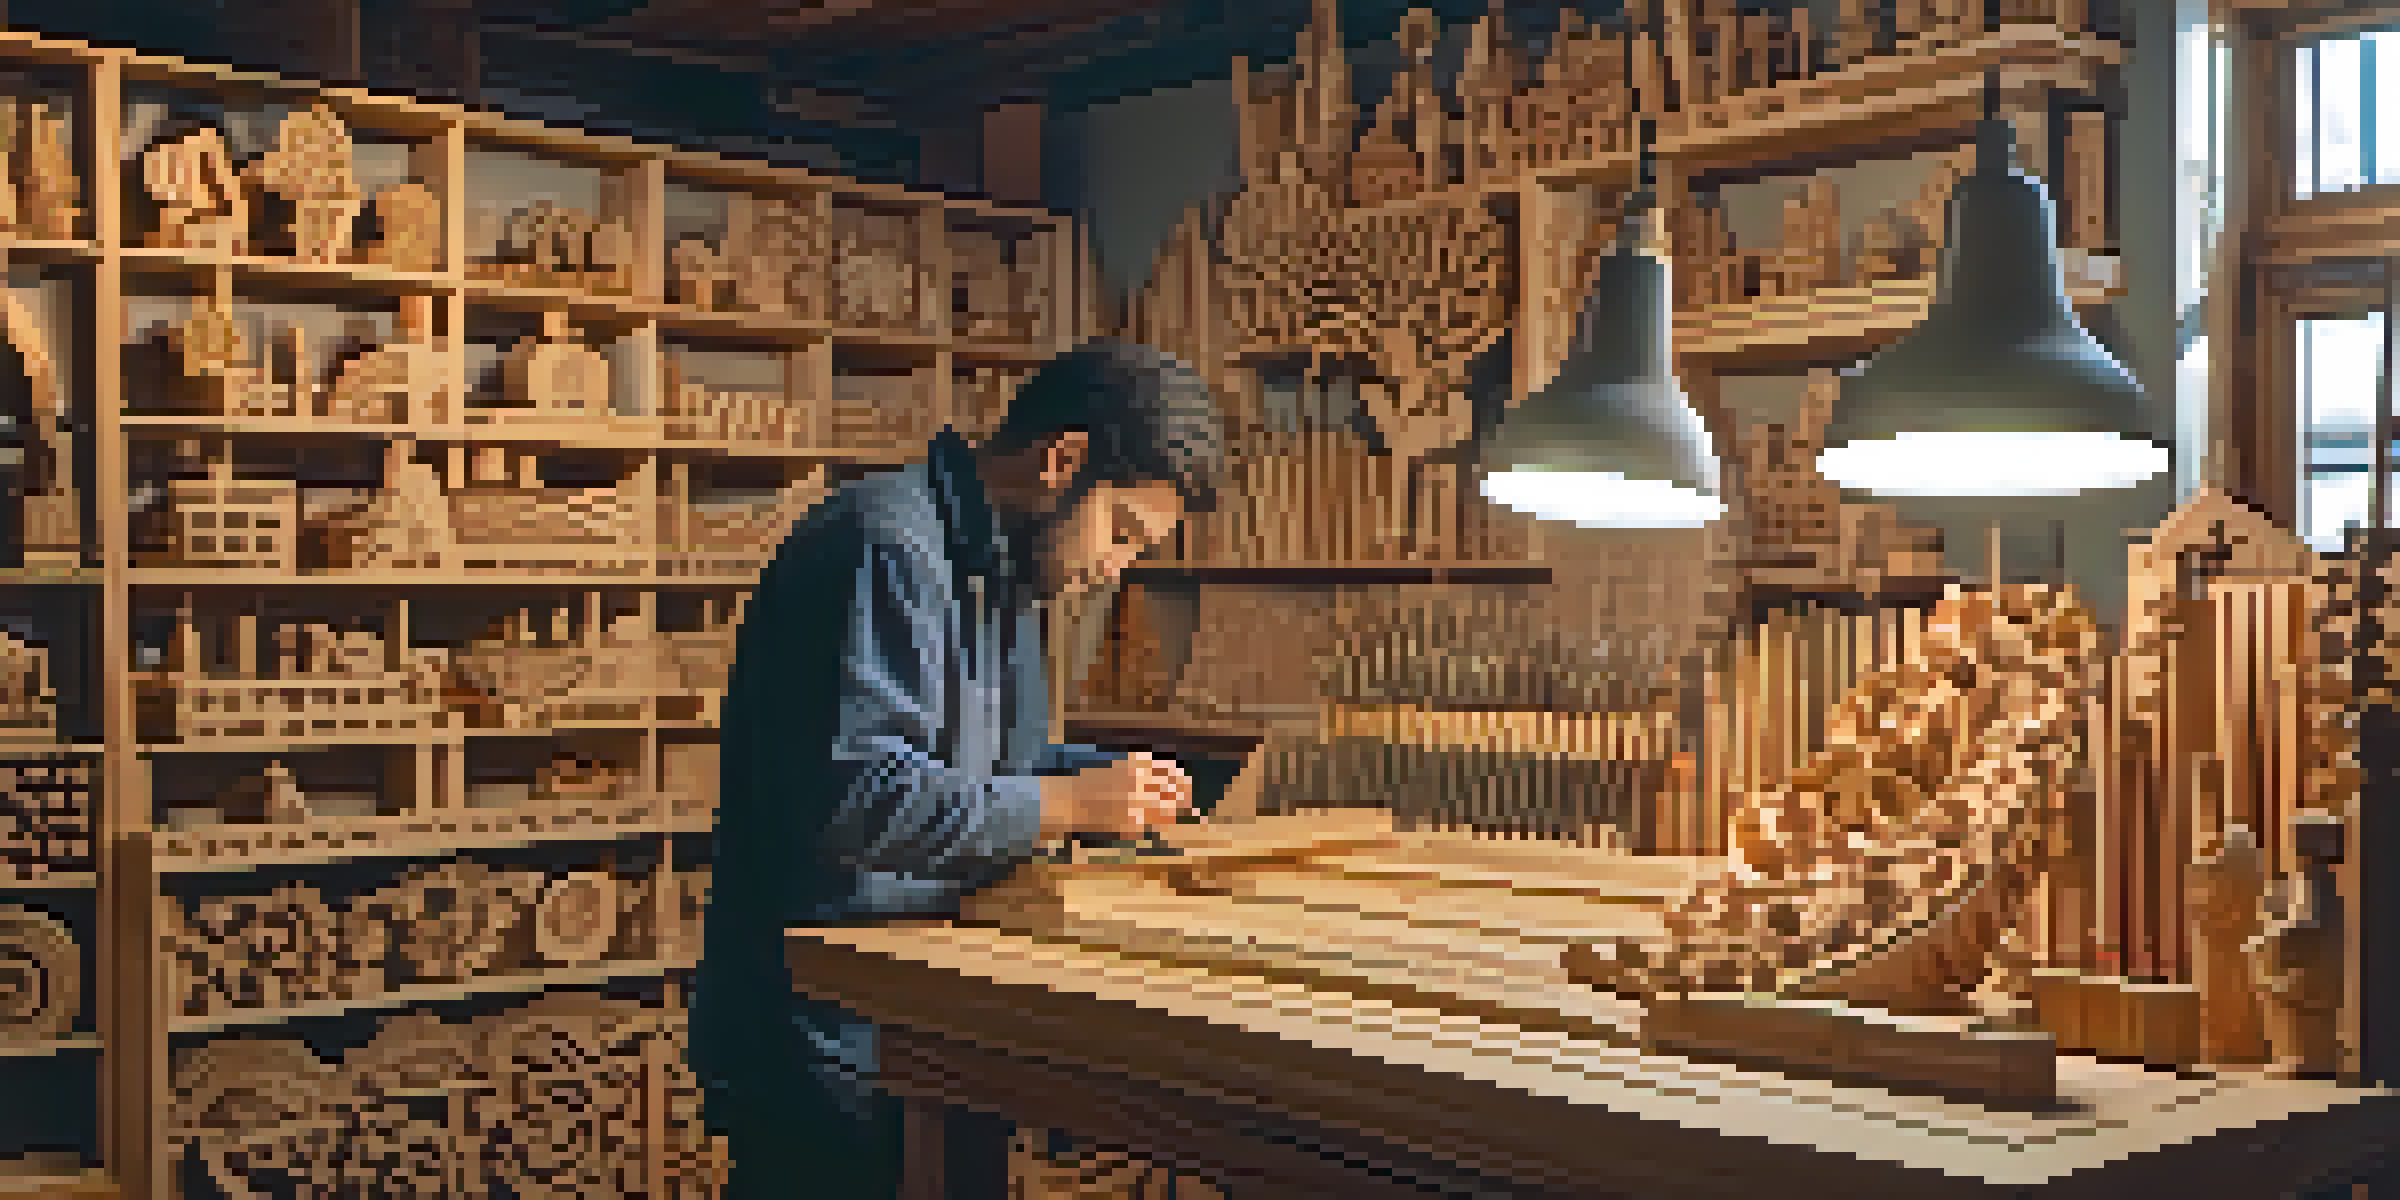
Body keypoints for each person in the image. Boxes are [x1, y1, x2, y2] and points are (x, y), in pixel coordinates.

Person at [692, 340, 1227, 1200]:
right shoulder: (887, 547)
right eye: (1122, 531)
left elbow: (991, 771)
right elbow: (859, 796)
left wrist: (1113, 782)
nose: (1115, 568)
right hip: (821, 1039)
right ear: (1064, 460)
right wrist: (1067, 800)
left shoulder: (1004, 570)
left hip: (921, 1023)